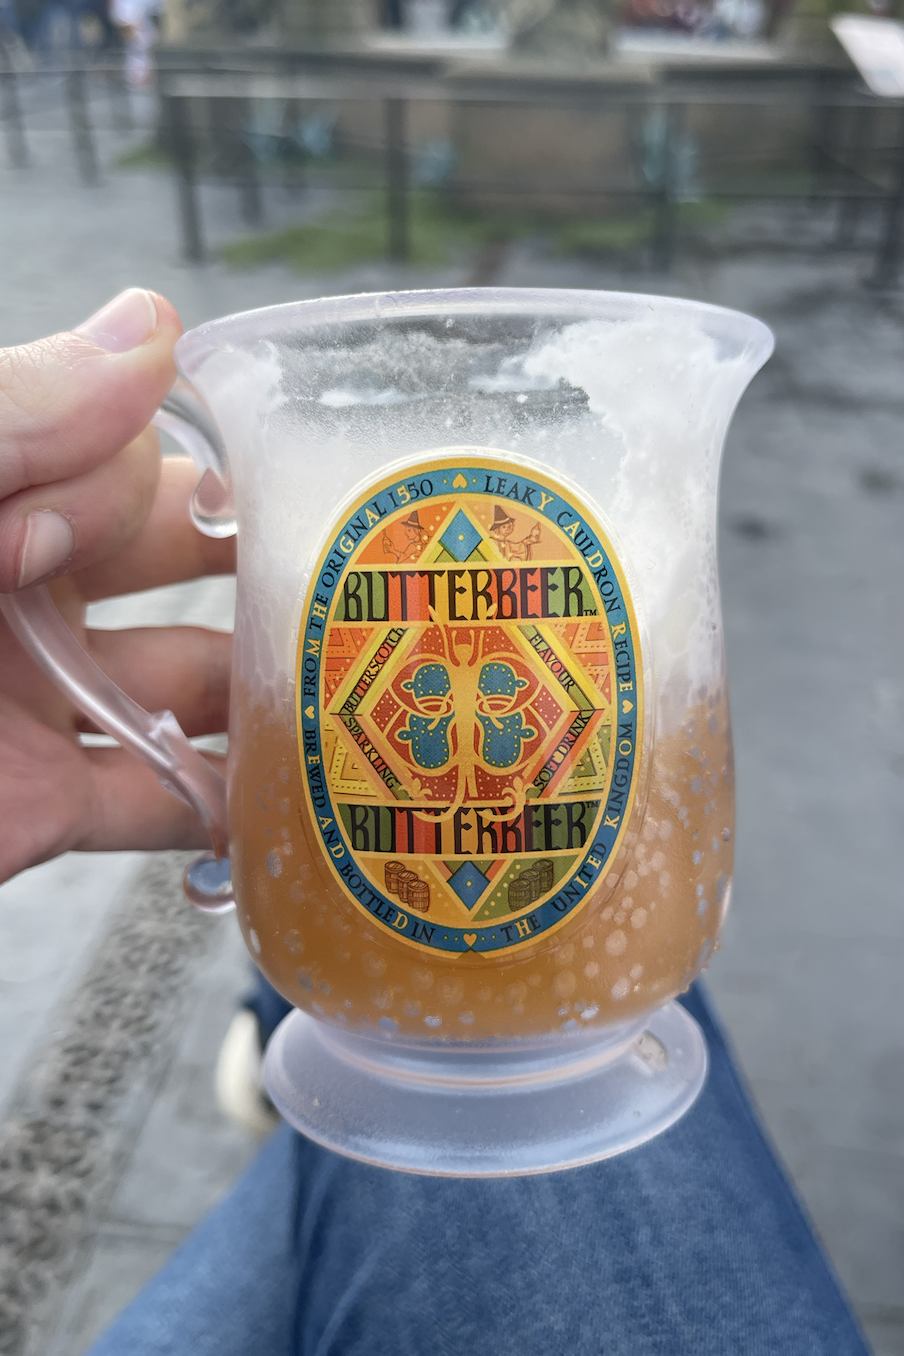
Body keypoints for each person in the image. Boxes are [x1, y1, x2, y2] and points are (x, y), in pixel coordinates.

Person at [0, 291, 872, 1355]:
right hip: (601, 942)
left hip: (348, 934)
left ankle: (293, 1050)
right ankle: (312, 1070)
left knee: (339, 1187)